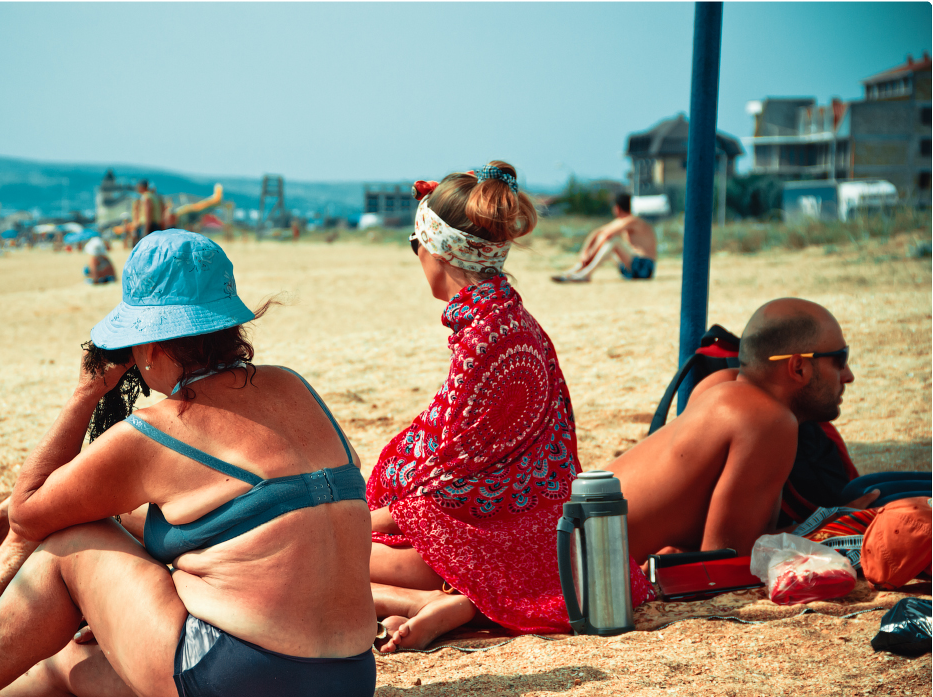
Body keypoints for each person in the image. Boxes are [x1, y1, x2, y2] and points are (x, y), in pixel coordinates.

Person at [0, 229, 377, 697]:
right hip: (348, 679)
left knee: (72, 542)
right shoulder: (294, 388)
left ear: (149, 346)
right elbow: (232, 517)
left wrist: (86, 393)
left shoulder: (159, 429)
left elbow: (27, 511)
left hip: (239, 681)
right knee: (74, 665)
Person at [368, 162, 655, 653]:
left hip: (481, 544)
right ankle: (434, 603)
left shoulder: (484, 339)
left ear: (436, 250)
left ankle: (436, 601)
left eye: (415, 243)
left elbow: (452, 483)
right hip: (535, 531)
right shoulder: (516, 323)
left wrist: (360, 521)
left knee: (311, 554)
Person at [612, 298, 877, 564]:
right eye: (840, 360)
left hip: (590, 534)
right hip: (593, 569)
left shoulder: (719, 384)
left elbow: (712, 544)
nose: (849, 375)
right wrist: (832, 524)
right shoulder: (768, 420)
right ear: (798, 367)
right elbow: (725, 563)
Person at [551, 194, 656, 283]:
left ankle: (586, 274)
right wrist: (585, 252)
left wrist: (590, 253)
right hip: (632, 269)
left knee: (614, 241)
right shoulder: (623, 221)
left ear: (616, 208)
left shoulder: (633, 221)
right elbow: (597, 232)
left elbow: (607, 234)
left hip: (644, 269)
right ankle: (575, 270)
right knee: (607, 240)